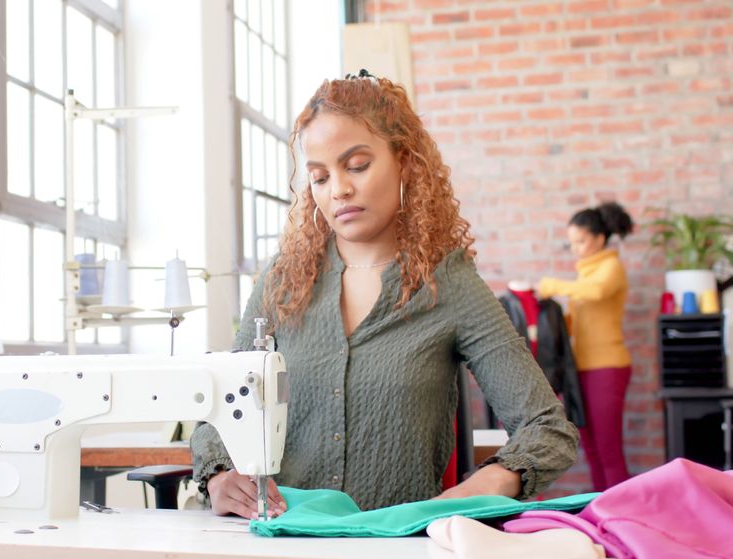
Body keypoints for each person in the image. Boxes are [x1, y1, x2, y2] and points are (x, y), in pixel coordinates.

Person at [191, 72, 580, 519]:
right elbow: (220, 409)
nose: (338, 189)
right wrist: (219, 476)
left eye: (356, 165)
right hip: (282, 542)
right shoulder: (283, 282)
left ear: (405, 162)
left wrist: (485, 484)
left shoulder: (447, 283)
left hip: (395, 549)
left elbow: (547, 428)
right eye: (319, 177)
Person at [538, 203, 634, 492]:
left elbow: (597, 292)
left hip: (607, 367)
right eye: (572, 243)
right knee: (591, 448)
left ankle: (622, 513)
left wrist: (554, 284)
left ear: (600, 238)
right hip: (583, 368)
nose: (576, 248)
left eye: (581, 241)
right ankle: (600, 509)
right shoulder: (587, 273)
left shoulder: (610, 267)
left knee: (608, 449)